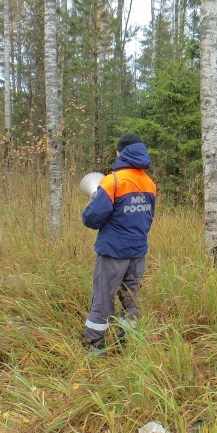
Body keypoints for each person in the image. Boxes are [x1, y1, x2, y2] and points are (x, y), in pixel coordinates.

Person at [81, 132, 157, 354]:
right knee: (131, 298)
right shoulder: (149, 182)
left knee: (104, 297)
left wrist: (96, 200)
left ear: (120, 153)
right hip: (138, 251)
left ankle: (96, 346)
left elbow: (91, 219)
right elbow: (147, 217)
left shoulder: (113, 181)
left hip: (113, 251)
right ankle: (128, 343)